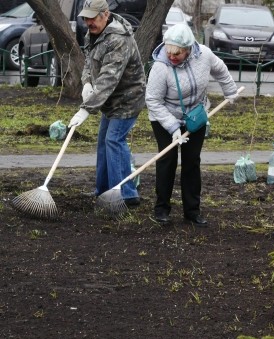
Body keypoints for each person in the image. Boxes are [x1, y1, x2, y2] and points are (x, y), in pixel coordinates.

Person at [145, 23, 238, 226]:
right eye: (169, 51)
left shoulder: (203, 54)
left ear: (188, 50)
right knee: (167, 161)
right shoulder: (161, 67)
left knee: (192, 161)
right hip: (164, 117)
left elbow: (220, 69)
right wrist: (172, 127)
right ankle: (162, 209)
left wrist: (230, 90)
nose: (172, 56)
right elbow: (153, 100)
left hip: (195, 116)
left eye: (177, 53)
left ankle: (192, 211)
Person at [68, 0, 146, 207]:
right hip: (109, 100)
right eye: (86, 18)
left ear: (105, 14)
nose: (88, 22)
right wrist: (86, 82)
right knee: (103, 142)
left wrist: (86, 109)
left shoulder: (118, 39)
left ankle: (126, 194)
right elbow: (88, 60)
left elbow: (108, 79)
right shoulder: (94, 33)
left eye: (92, 17)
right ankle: (103, 191)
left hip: (127, 98)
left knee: (114, 141)